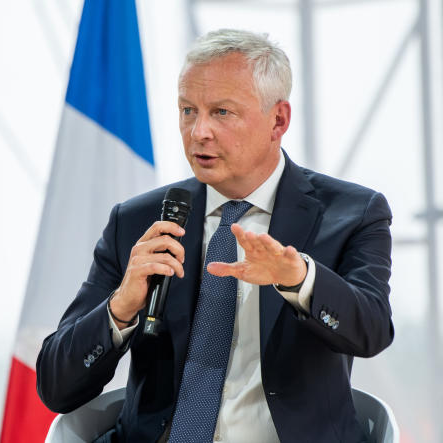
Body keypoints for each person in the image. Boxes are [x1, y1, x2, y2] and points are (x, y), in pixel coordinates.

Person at [36, 29, 393, 443]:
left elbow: (372, 331)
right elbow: (56, 387)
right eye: (188, 110)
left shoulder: (351, 214)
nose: (198, 131)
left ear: (278, 120)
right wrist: (120, 308)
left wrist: (300, 279)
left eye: (222, 112)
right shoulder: (136, 221)